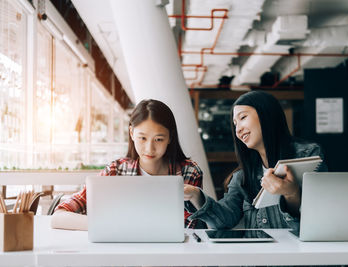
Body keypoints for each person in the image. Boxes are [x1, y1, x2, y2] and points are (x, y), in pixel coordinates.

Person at [184, 91, 327, 232]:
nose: (238, 129)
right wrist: (195, 194)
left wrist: (292, 194)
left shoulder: (307, 155)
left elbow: (319, 223)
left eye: (243, 117)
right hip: (256, 255)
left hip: (296, 255)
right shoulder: (242, 176)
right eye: (235, 124)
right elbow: (224, 220)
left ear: (267, 115)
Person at [51, 99, 203, 230]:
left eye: (158, 139)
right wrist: (106, 224)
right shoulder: (115, 171)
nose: (149, 148)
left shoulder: (189, 172)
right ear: (131, 133)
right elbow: (59, 216)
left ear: (170, 137)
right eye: (142, 138)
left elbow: (188, 228)